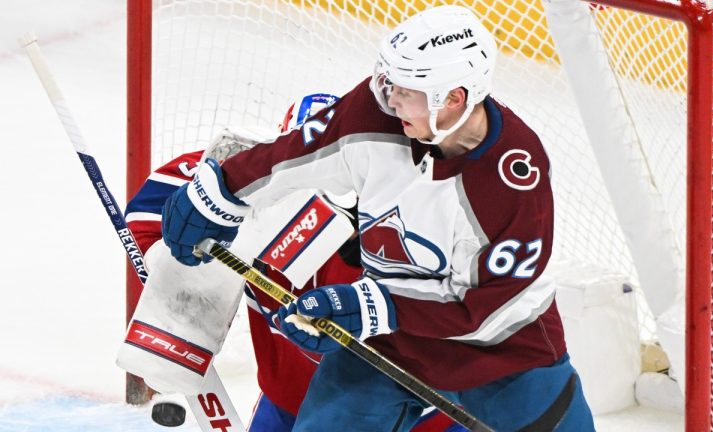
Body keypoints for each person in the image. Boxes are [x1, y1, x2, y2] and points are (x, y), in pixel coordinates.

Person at [159, 5, 594, 431]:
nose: (390, 97)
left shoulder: (514, 177)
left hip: (503, 353)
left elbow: (483, 307)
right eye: (391, 81)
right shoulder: (378, 110)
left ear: (453, 99)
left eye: (408, 90)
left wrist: (369, 306)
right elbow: (297, 153)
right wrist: (220, 192)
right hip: (388, 342)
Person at [126, 93, 458, 431]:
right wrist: (174, 261)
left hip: (418, 420)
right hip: (284, 406)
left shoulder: (403, 226)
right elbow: (150, 206)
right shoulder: (252, 187)